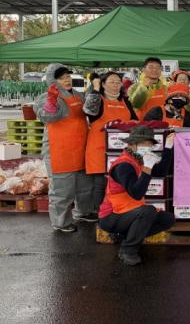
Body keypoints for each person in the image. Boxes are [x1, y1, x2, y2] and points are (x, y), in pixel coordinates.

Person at [98, 126, 175, 266]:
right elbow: (137, 193)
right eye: (144, 143)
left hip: (129, 212)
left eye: (150, 144)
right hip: (111, 216)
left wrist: (168, 147)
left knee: (167, 219)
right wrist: (147, 168)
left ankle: (124, 236)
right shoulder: (123, 165)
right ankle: (128, 250)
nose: (148, 147)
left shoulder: (139, 160)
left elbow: (161, 172)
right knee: (148, 211)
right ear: (132, 144)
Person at [35, 64, 96, 232]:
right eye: (61, 78)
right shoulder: (44, 97)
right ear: (52, 81)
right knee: (62, 190)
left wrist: (94, 87)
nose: (67, 80)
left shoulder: (78, 95)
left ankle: (84, 211)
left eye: (68, 76)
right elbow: (48, 117)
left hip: (81, 149)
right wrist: (52, 101)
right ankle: (61, 222)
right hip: (60, 151)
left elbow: (90, 109)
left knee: (85, 186)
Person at [83, 71, 137, 212]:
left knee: (121, 184)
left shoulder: (126, 101)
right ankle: (101, 215)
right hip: (100, 150)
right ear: (103, 84)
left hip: (123, 151)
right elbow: (89, 110)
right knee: (101, 185)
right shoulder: (98, 100)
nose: (115, 85)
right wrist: (95, 89)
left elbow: (135, 120)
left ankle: (119, 213)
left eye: (118, 82)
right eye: (112, 82)